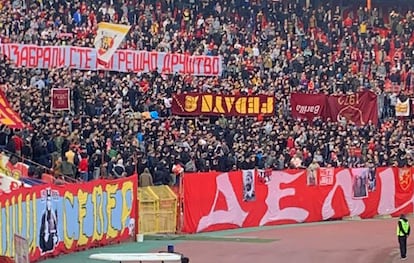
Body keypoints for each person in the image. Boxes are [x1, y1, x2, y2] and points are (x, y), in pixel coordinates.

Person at [39, 189, 59, 253]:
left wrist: (55, 235)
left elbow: (55, 225)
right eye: (47, 201)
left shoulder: (53, 214)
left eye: (49, 201)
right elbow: (42, 226)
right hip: (45, 234)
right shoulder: (44, 215)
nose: (48, 204)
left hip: (51, 235)